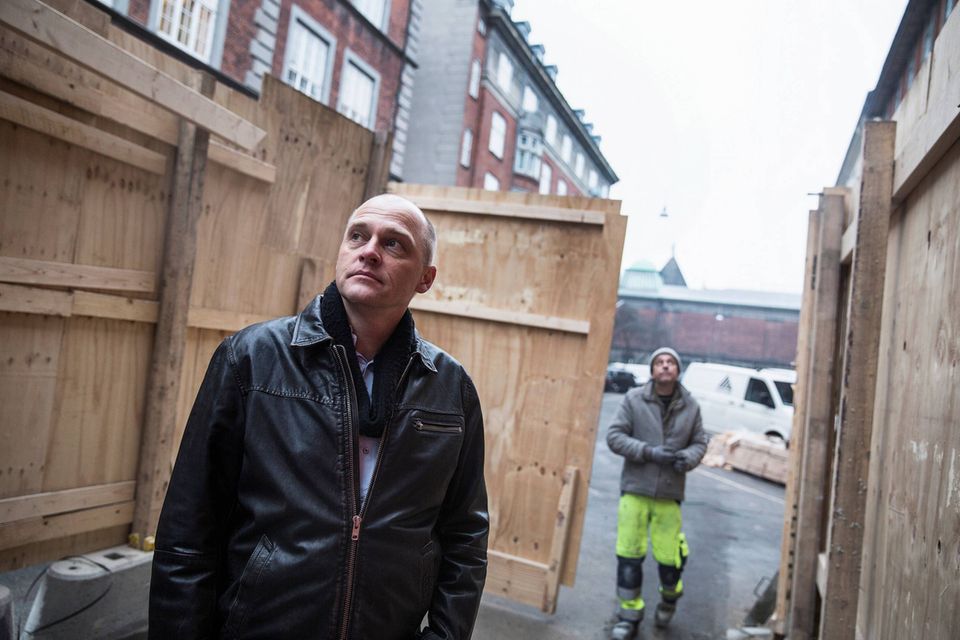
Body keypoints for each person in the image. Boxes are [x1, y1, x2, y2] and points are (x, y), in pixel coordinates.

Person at [149, 194, 489, 639]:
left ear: (425, 278)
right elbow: (188, 530)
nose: (369, 251)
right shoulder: (251, 359)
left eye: (393, 244)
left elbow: (465, 537)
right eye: (357, 237)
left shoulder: (451, 388)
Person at [605, 347, 707, 639]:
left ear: (678, 370)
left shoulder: (691, 406)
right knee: (629, 557)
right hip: (635, 491)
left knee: (669, 561)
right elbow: (614, 436)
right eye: (659, 362)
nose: (664, 366)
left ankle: (669, 599)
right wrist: (648, 452)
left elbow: (700, 442)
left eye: (670, 362)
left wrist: (686, 458)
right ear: (652, 370)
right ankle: (628, 616)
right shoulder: (633, 399)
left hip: (669, 494)